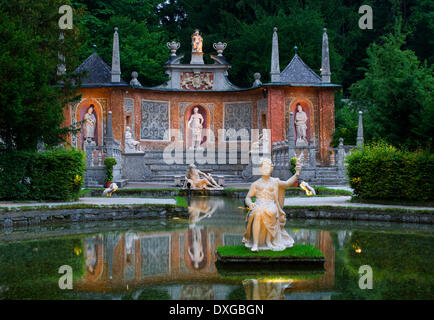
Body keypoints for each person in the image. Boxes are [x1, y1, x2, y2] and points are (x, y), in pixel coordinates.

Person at [243, 157, 301, 252]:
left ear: (271, 169)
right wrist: (250, 204)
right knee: (257, 213)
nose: (265, 170)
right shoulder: (255, 184)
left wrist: (297, 174)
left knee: (271, 211)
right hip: (259, 204)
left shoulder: (275, 181)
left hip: (270, 204)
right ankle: (256, 244)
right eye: (264, 168)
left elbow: (287, 183)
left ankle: (269, 240)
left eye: (267, 168)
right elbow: (248, 197)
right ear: (260, 169)